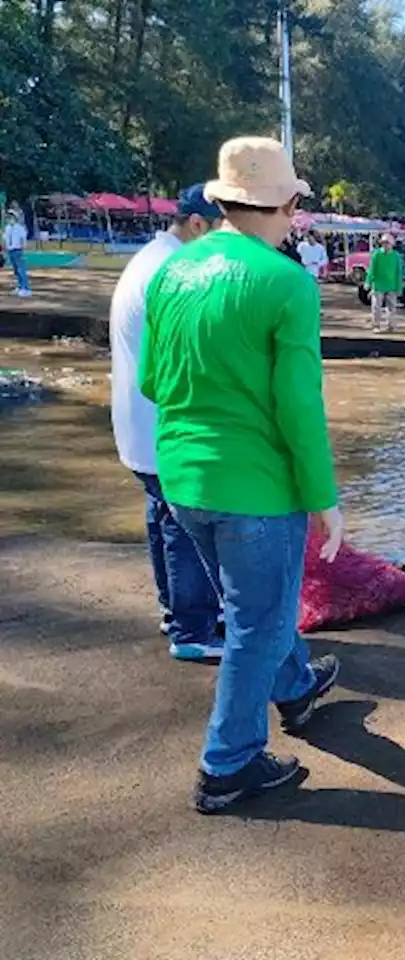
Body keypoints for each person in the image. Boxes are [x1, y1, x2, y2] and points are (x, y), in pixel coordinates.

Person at [140, 136, 345, 813]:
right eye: (296, 206)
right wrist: (325, 499)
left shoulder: (173, 271)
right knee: (256, 623)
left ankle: (295, 689)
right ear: (285, 204)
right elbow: (299, 406)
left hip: (181, 478)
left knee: (252, 609)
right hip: (255, 489)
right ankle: (227, 766)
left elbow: (153, 381)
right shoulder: (288, 281)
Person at [110, 183, 225, 661]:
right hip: (161, 426)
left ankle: (176, 610)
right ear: (197, 224)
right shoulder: (172, 270)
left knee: (162, 519)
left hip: (139, 424)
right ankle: (194, 629)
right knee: (183, 525)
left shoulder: (154, 257)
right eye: (222, 232)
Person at [367, 233, 402, 332]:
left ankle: (391, 326)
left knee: (392, 307)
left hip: (392, 285)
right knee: (376, 307)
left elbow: (398, 273)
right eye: (384, 243)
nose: (386, 245)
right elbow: (371, 270)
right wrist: (368, 282)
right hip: (378, 284)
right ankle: (376, 326)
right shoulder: (377, 254)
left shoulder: (396, 256)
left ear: (392, 244)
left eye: (388, 243)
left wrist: (399, 287)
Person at [5, 208, 31, 298]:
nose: (9, 219)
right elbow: (6, 239)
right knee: (16, 270)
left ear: (15, 218)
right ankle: (20, 287)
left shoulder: (20, 228)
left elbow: (23, 239)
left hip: (18, 250)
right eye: (8, 217)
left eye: (11, 217)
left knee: (21, 269)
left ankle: (26, 289)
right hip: (10, 250)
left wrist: (23, 250)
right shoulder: (7, 228)